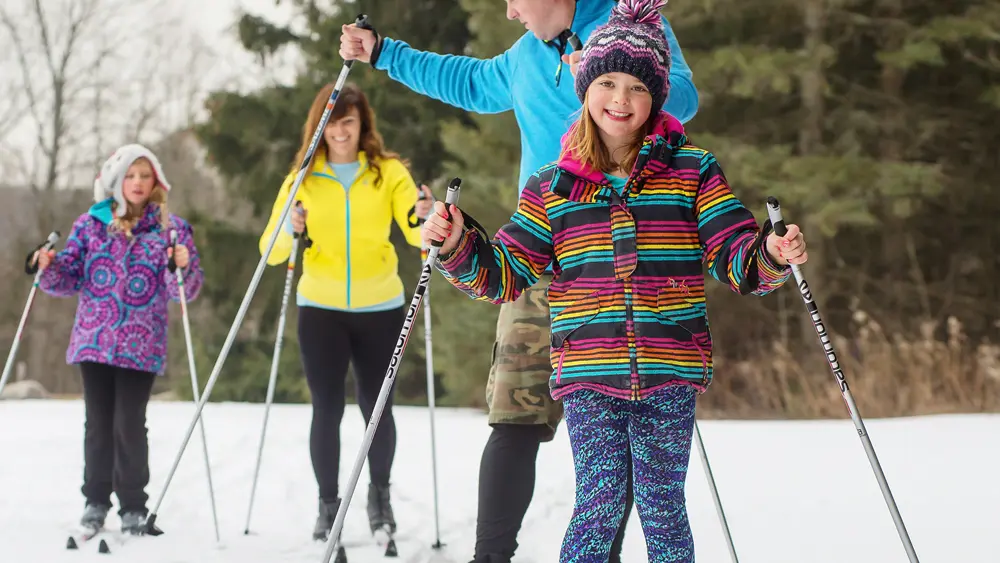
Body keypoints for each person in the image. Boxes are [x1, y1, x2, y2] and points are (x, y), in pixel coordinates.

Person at [421, 0, 808, 560]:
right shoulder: (552, 186)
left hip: (670, 367)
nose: (620, 99)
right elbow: (503, 273)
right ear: (585, 90)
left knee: (663, 508)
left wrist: (770, 252)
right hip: (589, 371)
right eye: (606, 82)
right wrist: (457, 242)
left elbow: (734, 256)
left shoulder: (692, 172)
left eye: (637, 87)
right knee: (599, 505)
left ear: (656, 97)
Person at [340, 1, 698, 560]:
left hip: (617, 270)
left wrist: (605, 77)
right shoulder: (527, 55)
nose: (509, 12)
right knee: (514, 415)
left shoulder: (629, 26)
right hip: (538, 263)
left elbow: (684, 97)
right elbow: (469, 81)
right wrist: (385, 52)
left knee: (621, 450)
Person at [258, 82, 433, 547]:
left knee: (377, 408)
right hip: (321, 309)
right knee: (327, 407)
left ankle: (380, 498)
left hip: (381, 307)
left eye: (349, 122)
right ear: (320, 125)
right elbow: (271, 251)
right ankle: (327, 505)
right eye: (333, 122)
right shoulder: (303, 178)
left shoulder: (387, 172)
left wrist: (425, 214)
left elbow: (416, 233)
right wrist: (291, 226)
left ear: (362, 124)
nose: (340, 131)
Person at [34, 143, 204, 535]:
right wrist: (47, 266)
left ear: (156, 181)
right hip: (94, 338)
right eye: (130, 175)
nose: (138, 183)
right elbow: (67, 277)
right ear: (115, 181)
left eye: (145, 175)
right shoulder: (90, 224)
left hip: (141, 342)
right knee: (98, 423)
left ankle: (133, 505)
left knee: (129, 422)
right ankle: (95, 500)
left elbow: (184, 290)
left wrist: (182, 265)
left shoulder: (170, 229)